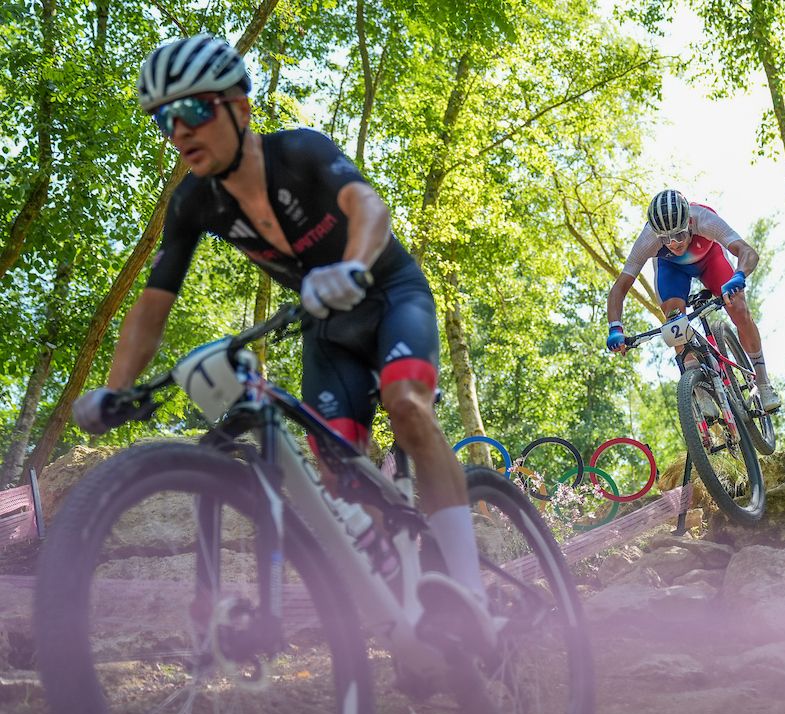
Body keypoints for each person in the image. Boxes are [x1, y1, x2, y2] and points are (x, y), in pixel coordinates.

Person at [71, 35, 497, 651]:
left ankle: (472, 595)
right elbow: (152, 305)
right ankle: (409, 619)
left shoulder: (299, 152)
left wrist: (350, 265)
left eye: (192, 110)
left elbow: (369, 207)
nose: (178, 130)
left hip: (388, 296)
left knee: (407, 406)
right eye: (165, 118)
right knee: (337, 469)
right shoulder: (193, 202)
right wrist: (114, 390)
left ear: (240, 108)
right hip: (325, 327)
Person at [605, 189, 781, 413]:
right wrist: (615, 327)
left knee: (737, 306)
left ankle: (763, 382)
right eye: (665, 238)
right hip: (672, 270)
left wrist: (739, 276)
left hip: (710, 259)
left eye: (679, 234)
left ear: (689, 222)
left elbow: (747, 252)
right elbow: (619, 288)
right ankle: (700, 389)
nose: (674, 243)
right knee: (674, 321)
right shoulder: (648, 239)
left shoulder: (704, 218)